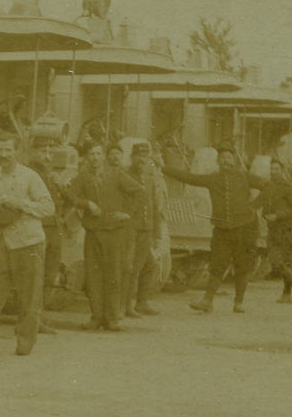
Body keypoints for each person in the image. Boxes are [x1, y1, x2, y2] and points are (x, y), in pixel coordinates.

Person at [0, 132, 56, 355]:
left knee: (30, 296)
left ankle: (25, 340)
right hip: (3, 243)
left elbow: (49, 208)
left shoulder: (30, 176)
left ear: (17, 151)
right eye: (0, 150)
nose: (4, 154)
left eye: (8, 150)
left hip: (29, 243)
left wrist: (20, 204)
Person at [163, 141, 267, 314]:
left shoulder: (244, 177)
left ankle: (239, 302)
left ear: (234, 160)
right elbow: (190, 178)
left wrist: (255, 205)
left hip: (244, 228)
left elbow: (269, 186)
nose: (225, 160)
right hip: (221, 229)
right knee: (218, 264)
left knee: (242, 266)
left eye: (228, 157)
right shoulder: (212, 178)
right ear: (218, 161)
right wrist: (164, 168)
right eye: (222, 158)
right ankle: (207, 301)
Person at [66, 141, 143, 330]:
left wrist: (127, 213)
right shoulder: (83, 177)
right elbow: (68, 194)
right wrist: (86, 204)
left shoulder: (116, 174)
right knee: (93, 276)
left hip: (113, 232)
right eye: (91, 154)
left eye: (98, 154)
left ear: (103, 156)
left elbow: (139, 191)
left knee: (113, 275)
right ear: (86, 158)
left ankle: (112, 318)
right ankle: (96, 317)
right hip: (93, 233)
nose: (95, 158)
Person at [27, 134, 69, 335]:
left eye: (50, 152)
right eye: (43, 151)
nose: (47, 155)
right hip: (38, 229)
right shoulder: (29, 172)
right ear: (33, 152)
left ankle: (38, 319)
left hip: (54, 228)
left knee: (50, 274)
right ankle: (30, 321)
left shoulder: (51, 174)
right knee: (36, 276)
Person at [257, 158, 292, 303]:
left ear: (282, 171)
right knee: (277, 261)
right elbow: (258, 202)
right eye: (271, 169)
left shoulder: (289, 188)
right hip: (273, 229)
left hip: (287, 230)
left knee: (285, 262)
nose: (273, 172)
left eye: (276, 169)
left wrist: (277, 216)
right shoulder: (268, 187)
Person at [123, 142, 163, 318]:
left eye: (144, 156)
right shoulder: (125, 175)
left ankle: (142, 302)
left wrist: (156, 232)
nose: (141, 159)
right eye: (138, 156)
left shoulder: (149, 177)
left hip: (146, 229)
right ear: (132, 157)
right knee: (133, 267)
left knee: (150, 265)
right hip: (133, 229)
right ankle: (127, 306)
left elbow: (154, 205)